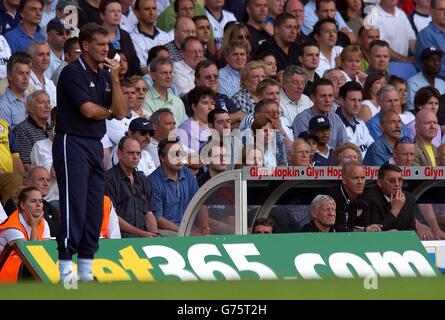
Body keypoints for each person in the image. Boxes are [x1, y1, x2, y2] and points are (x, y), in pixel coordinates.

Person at [53, 23, 126, 283]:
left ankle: (84, 272)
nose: (106, 49)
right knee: (74, 207)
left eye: (107, 45)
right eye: (100, 44)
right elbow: (88, 111)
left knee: (94, 209)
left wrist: (116, 79)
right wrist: (105, 112)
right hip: (71, 142)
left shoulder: (106, 75)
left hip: (95, 144)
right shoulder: (72, 72)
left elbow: (119, 111)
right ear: (85, 46)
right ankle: (65, 274)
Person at [148, 138, 210, 236]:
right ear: (162, 158)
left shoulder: (188, 174)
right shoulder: (153, 181)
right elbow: (158, 219)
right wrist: (187, 232)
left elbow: (200, 204)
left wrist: (205, 228)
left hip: (188, 227)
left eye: (181, 154)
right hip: (165, 230)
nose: (179, 157)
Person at [105, 136, 158, 238]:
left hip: (143, 236)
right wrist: (142, 234)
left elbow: (149, 213)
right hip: (119, 238)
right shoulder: (108, 180)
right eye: (131, 153)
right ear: (119, 154)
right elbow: (112, 217)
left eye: (138, 153)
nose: (135, 157)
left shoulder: (143, 179)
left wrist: (154, 237)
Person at [0, 187, 50, 282]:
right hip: (6, 271)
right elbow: (32, 259)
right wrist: (34, 226)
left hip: (24, 270)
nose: (38, 205)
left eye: (40, 201)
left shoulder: (43, 222)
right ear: (22, 205)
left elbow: (45, 253)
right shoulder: (12, 226)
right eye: (33, 201)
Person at [326, 161, 383, 232]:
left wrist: (367, 229)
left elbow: (362, 226)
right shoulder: (333, 197)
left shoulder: (366, 197)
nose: (360, 182)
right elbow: (340, 230)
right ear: (344, 179)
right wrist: (363, 230)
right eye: (355, 178)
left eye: (362, 178)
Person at [292, 78, 349, 148]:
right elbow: (304, 149)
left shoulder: (336, 119)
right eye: (323, 96)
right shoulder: (302, 119)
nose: (327, 100)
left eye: (330, 96)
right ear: (313, 98)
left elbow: (345, 147)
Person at [4, 166, 59, 236]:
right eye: (41, 179)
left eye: (48, 180)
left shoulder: (51, 209)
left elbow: (53, 240)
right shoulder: (15, 202)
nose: (46, 184)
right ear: (29, 182)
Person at [367, 163, 416, 231]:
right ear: (380, 183)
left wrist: (399, 235)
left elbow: (412, 230)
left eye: (400, 180)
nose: (397, 184)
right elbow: (376, 231)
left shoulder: (409, 199)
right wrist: (395, 210)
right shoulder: (370, 198)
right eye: (392, 180)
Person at [13, 90, 51, 172]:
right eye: (42, 102)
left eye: (48, 102)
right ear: (30, 108)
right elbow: (26, 165)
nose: (47, 106)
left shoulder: (52, 129)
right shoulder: (22, 130)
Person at [143, 57, 188, 124]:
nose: (169, 76)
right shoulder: (144, 100)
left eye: (170, 72)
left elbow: (185, 127)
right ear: (152, 75)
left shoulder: (178, 101)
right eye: (164, 73)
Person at [130, 0, 170, 74]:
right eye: (147, 9)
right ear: (137, 13)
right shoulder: (132, 38)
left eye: (154, 8)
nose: (152, 13)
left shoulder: (165, 36)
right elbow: (143, 69)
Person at [337, 81, 374, 158]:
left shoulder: (361, 124)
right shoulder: (333, 124)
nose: (357, 104)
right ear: (341, 101)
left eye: (359, 100)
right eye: (353, 100)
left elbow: (373, 150)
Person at [177, 86, 215, 152]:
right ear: (194, 107)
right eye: (205, 103)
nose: (211, 107)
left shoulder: (216, 126)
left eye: (212, 103)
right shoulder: (185, 129)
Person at [0, 52, 31, 129]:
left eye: (27, 73)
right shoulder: (3, 106)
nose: (25, 77)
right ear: (10, 76)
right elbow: (5, 140)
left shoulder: (31, 100)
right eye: (21, 73)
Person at [415, 0, 445, 78]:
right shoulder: (425, 35)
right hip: (437, 83)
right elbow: (432, 67)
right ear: (431, 11)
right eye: (441, 10)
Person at [27, 41, 57, 108]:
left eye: (48, 54)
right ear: (30, 58)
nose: (45, 58)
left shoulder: (51, 84)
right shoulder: (25, 82)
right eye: (41, 55)